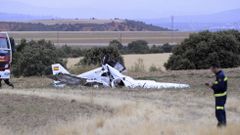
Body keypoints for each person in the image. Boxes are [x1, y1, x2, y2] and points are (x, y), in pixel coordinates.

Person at [205, 63, 227, 127]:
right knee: (221, 112)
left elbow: (220, 88)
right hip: (220, 97)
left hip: (220, 98)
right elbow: (219, 85)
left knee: (219, 113)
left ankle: (221, 129)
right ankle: (223, 127)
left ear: (215, 68)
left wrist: (211, 86)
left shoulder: (221, 76)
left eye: (212, 69)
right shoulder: (219, 75)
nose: (211, 71)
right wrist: (213, 84)